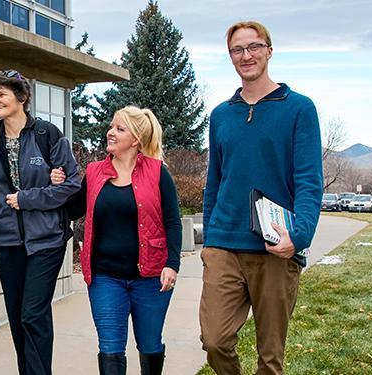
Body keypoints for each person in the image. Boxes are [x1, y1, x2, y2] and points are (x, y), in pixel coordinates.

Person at [199, 21, 322, 375]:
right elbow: (214, 181)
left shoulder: (299, 109)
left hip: (275, 247)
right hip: (224, 245)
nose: (246, 55)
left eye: (254, 47)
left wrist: (298, 237)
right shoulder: (221, 115)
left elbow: (309, 183)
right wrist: (210, 236)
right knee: (215, 340)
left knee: (270, 358)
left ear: (269, 50)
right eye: (237, 50)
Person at [0, 69, 81, 375]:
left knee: (32, 313)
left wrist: (27, 198)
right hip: (7, 240)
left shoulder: (47, 134)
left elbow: (72, 183)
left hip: (47, 240)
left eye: (2, 94)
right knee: (17, 317)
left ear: (22, 98)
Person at [51, 106, 182, 374]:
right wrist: (61, 185)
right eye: (112, 126)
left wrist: (173, 263)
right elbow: (75, 209)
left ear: (135, 140)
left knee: (149, 344)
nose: (110, 132)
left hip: (151, 277)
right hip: (105, 277)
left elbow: (173, 221)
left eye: (119, 129)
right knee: (110, 347)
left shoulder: (158, 172)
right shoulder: (95, 171)